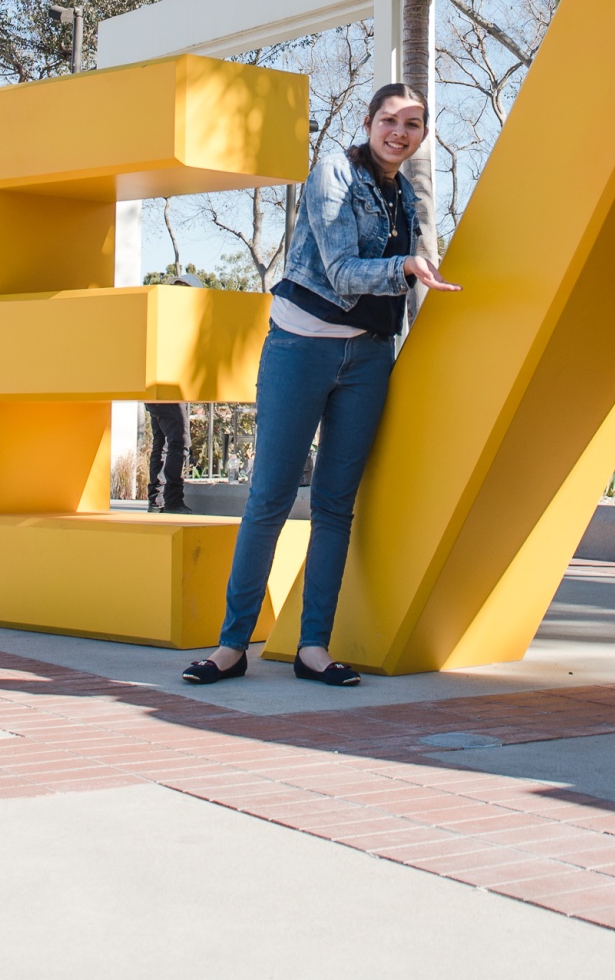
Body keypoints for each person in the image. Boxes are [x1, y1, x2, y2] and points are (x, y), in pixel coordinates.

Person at [182, 84, 458, 688]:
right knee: (271, 498)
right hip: (301, 346)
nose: (399, 132)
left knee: (335, 506)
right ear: (369, 122)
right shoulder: (334, 170)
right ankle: (231, 647)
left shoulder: (406, 194)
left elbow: (404, 289)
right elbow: (340, 271)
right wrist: (406, 268)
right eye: (390, 119)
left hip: (368, 358)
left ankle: (314, 647)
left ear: (423, 135)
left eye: (413, 124)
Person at [144, 400, 188, 512]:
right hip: (170, 395)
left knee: (161, 444)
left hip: (154, 394)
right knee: (179, 442)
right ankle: (173, 500)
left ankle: (156, 500)